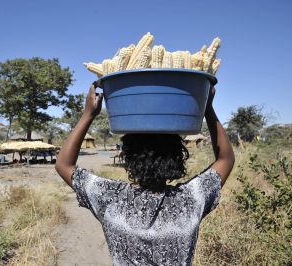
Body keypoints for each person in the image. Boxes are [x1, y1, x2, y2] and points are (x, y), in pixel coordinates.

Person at [55, 82, 235, 265]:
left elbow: (63, 165)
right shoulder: (191, 199)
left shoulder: (112, 199)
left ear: (129, 158)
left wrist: (88, 114)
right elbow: (225, 160)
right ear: (177, 157)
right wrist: (208, 109)